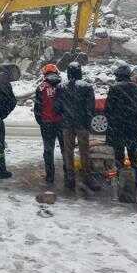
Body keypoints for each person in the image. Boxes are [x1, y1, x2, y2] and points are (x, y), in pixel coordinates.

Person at [55, 63, 96, 191]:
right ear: (80, 72)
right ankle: (87, 177)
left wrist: (64, 115)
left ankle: (70, 178)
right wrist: (87, 120)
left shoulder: (61, 87)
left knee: (68, 151)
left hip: (67, 124)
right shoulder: (87, 87)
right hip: (82, 124)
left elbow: (57, 107)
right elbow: (91, 107)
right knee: (84, 151)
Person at [105, 64, 137, 190]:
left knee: (119, 157)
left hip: (117, 128)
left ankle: (119, 181)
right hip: (132, 128)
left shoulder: (114, 89)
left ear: (118, 76)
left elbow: (108, 109)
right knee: (133, 156)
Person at [34, 64, 65, 184]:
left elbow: (37, 108)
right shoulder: (63, 86)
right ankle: (68, 174)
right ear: (57, 72)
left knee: (48, 150)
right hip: (61, 123)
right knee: (65, 149)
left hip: (47, 124)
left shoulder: (41, 88)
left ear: (44, 74)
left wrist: (41, 122)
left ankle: (50, 176)